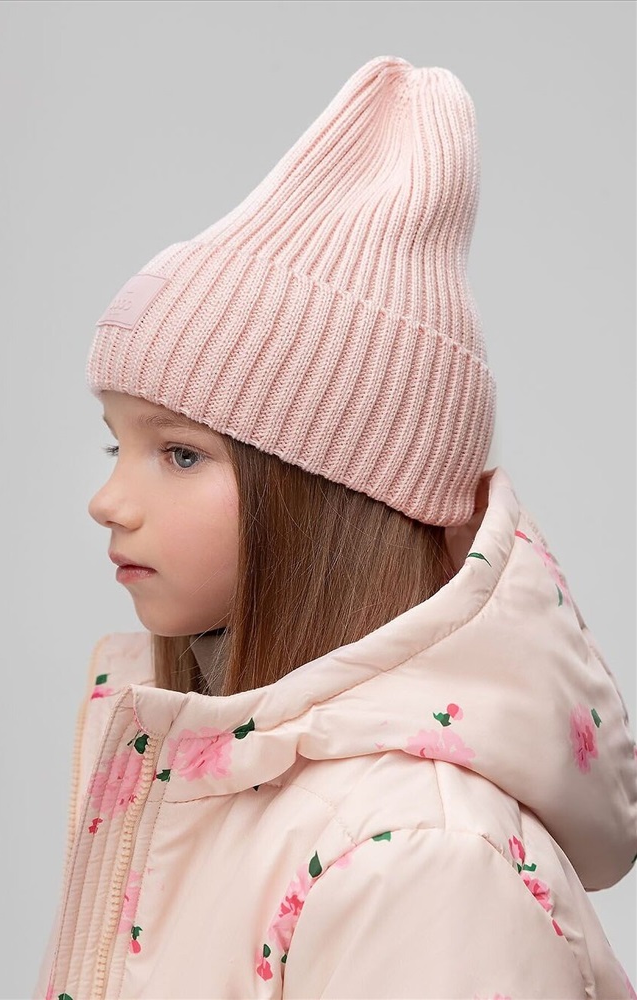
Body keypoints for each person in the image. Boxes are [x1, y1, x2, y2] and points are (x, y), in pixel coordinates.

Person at [34, 55, 637, 999]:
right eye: (118, 444)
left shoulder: (419, 858)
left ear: (329, 496)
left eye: (180, 454)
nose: (109, 500)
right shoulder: (207, 782)